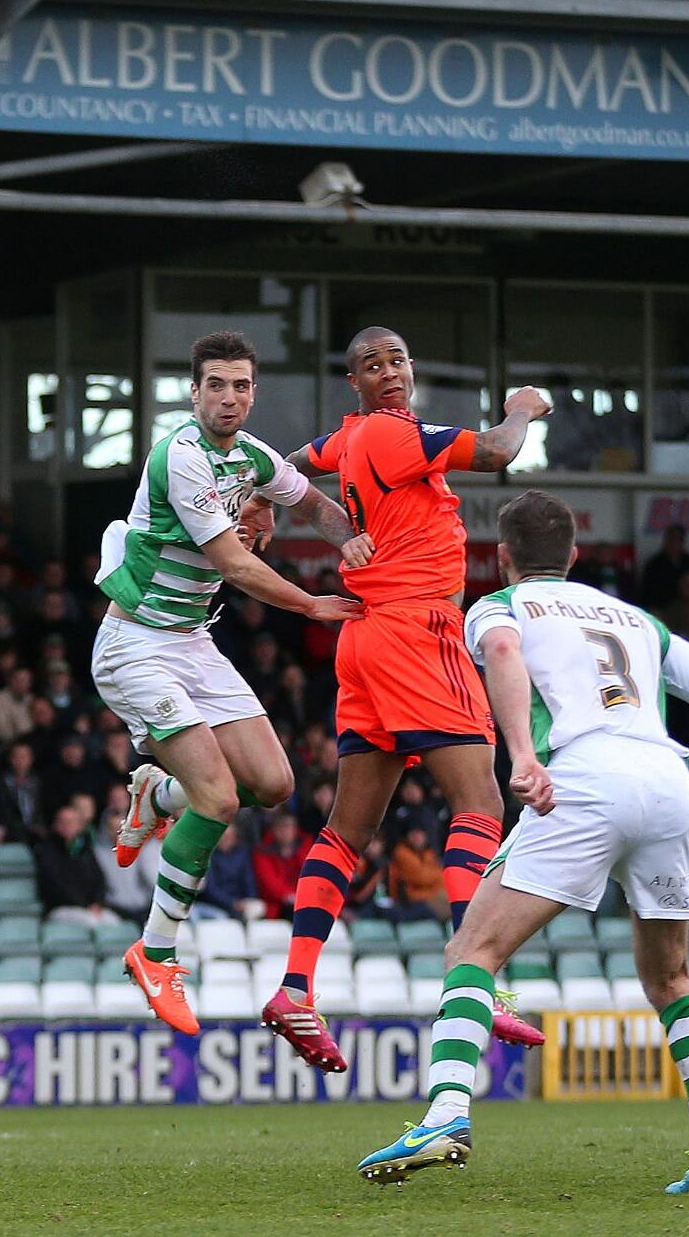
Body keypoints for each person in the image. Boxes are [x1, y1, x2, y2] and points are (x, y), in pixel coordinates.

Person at [355, 490, 689, 1195]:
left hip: (583, 779)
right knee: (669, 978)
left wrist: (520, 755)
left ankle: (447, 1112)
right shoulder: (638, 620)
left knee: (473, 949)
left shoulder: (501, 606)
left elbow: (504, 650)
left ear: (503, 557)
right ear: (572, 556)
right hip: (666, 784)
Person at [263, 326, 551, 1072]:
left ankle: (295, 987)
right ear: (354, 382)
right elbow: (496, 451)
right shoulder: (395, 434)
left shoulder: (350, 438)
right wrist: (521, 407)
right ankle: (474, 974)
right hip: (418, 631)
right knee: (482, 805)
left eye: (396, 359)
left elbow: (291, 462)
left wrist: (297, 511)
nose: (388, 371)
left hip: (363, 639)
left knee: (346, 831)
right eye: (371, 364)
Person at [86, 331, 361, 1036]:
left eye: (240, 385)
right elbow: (235, 565)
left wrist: (359, 543)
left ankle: (156, 789)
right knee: (219, 797)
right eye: (216, 384)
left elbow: (316, 504)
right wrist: (311, 602)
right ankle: (155, 951)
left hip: (191, 641)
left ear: (253, 391)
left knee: (273, 785)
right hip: (135, 642)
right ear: (194, 390)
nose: (229, 396)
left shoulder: (253, 456)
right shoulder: (180, 455)